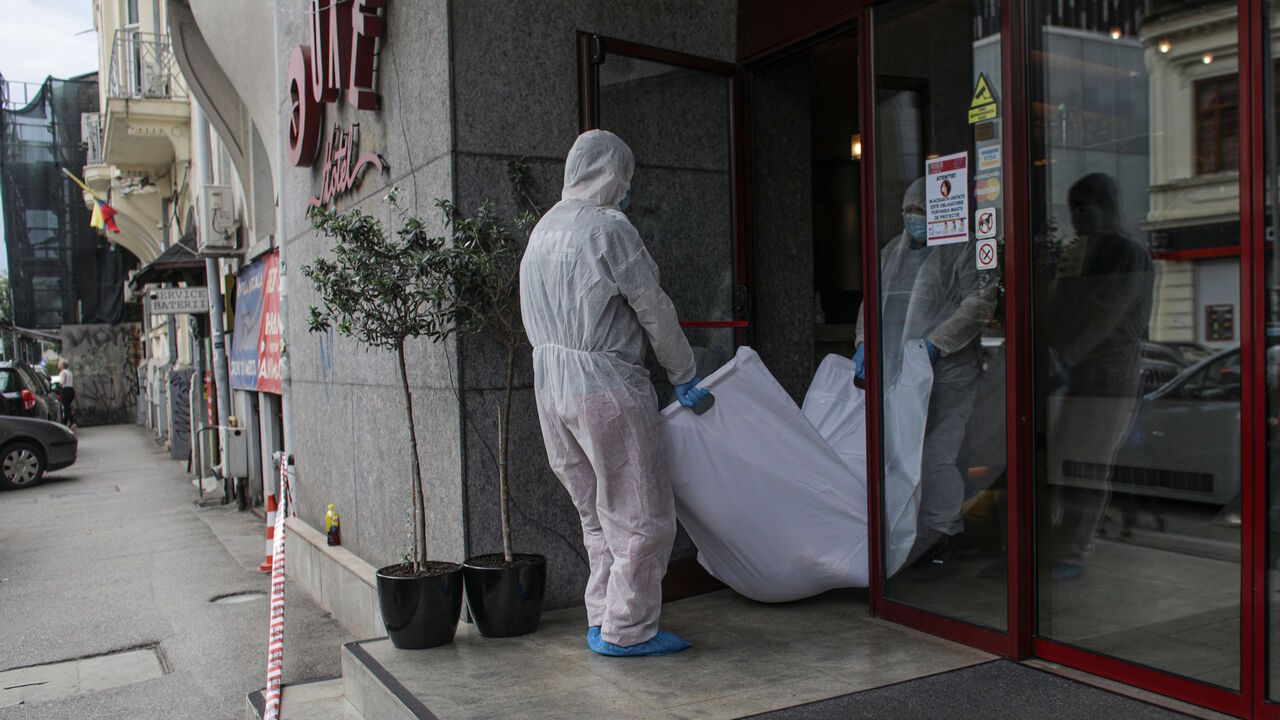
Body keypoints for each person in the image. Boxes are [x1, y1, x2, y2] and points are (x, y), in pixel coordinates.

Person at [520, 129, 707, 657]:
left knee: (594, 511)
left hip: (550, 383)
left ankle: (602, 615)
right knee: (639, 513)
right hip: (605, 383)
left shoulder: (544, 229)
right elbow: (653, 306)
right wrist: (683, 371)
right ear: (611, 173)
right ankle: (627, 629)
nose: (627, 189)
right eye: (625, 177)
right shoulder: (608, 229)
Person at [854, 177, 998, 566]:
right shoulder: (890, 254)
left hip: (948, 372)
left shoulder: (963, 250)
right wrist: (864, 342)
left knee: (937, 453)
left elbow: (981, 300)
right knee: (899, 453)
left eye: (921, 211)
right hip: (898, 370)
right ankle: (909, 533)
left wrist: (937, 344)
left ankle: (944, 533)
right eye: (908, 211)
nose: (913, 218)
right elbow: (873, 301)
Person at [1044, 172, 1153, 578]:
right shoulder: (1085, 251)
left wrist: (1064, 357)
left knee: (1088, 464)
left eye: (1084, 206)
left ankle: (1073, 548)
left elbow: (1105, 315)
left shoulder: (1128, 252)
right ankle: (1057, 542)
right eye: (1072, 208)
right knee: (1066, 461)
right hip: (1079, 373)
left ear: (1106, 206)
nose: (1077, 216)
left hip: (1109, 375)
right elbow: (1062, 308)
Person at [54, 359, 76, 429]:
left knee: (66, 408)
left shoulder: (63, 372)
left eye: (59, 363)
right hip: (71, 390)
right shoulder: (69, 372)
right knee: (67, 407)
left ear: (62, 365)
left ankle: (72, 422)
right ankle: (64, 423)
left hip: (65, 390)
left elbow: (63, 382)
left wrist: (58, 385)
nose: (58, 364)